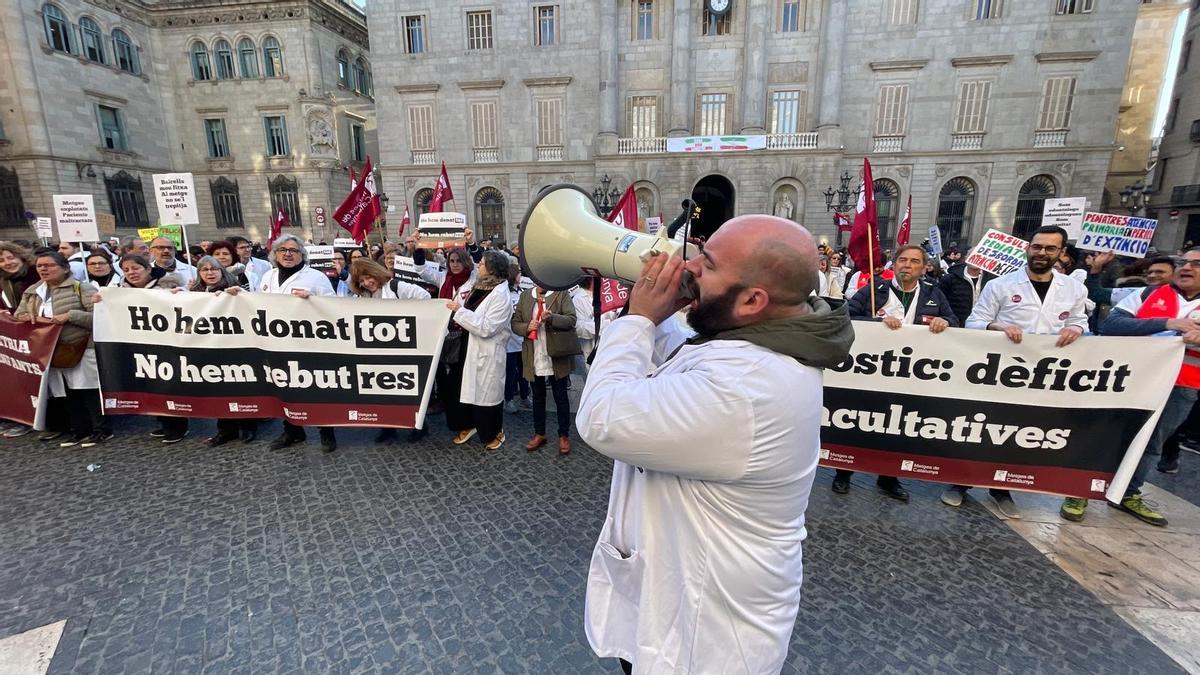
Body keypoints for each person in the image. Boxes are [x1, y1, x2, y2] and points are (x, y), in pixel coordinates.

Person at [576, 215, 854, 674]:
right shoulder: (754, 342)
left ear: (751, 299)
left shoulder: (747, 388)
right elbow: (677, 364)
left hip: (707, 640)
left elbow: (602, 417)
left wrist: (640, 318)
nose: (692, 267)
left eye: (707, 263)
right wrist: (664, 316)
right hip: (675, 604)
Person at [1056, 248, 1200, 526]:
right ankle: (1080, 490)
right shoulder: (1148, 294)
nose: (1186, 267)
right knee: (1103, 434)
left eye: (1196, 264)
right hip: (1130, 379)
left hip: (1182, 385)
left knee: (1153, 443)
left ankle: (1128, 493)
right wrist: (1168, 323)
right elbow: (1113, 323)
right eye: (1183, 262)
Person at [961, 225, 1088, 518]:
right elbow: (975, 322)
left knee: (1019, 433)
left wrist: (1076, 327)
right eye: (1037, 247)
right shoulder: (1000, 285)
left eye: (1050, 248)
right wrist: (998, 326)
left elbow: (1082, 321)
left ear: (1061, 253)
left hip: (1045, 376)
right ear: (1027, 249)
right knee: (982, 428)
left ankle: (1001, 489)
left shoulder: (1074, 289)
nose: (1042, 253)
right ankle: (961, 483)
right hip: (1001, 373)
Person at [834, 245, 958, 500]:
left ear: (924, 268)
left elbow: (954, 322)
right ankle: (844, 473)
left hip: (912, 376)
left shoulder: (933, 293)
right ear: (894, 264)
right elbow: (846, 316)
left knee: (898, 427)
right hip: (872, 371)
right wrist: (877, 323)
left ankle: (889, 478)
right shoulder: (874, 289)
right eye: (902, 260)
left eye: (914, 261)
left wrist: (943, 322)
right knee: (859, 422)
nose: (907, 265)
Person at [14, 252, 111, 448]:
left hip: (80, 346)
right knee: (66, 392)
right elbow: (18, 314)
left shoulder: (81, 288)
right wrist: (24, 317)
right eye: (40, 266)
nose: (43, 269)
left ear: (65, 268)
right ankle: (79, 430)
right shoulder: (33, 292)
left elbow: (99, 317)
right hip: (51, 351)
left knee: (88, 390)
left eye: (49, 265)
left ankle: (101, 429)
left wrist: (71, 315)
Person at [253, 235, 338, 452]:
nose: (288, 254)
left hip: (308, 343)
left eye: (293, 250)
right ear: (275, 254)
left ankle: (326, 432)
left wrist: (313, 299)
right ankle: (293, 431)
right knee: (284, 388)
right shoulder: (267, 276)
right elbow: (255, 303)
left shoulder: (316, 277)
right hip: (276, 343)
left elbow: (334, 306)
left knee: (317, 388)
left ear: (302, 254)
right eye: (283, 250)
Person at [183, 256, 260, 446]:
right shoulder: (195, 293)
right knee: (218, 390)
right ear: (199, 274)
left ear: (222, 271)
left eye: (214, 269)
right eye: (205, 270)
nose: (210, 273)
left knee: (240, 389)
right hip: (209, 349)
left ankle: (248, 425)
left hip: (236, 348)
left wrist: (238, 295)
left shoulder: (234, 289)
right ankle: (225, 429)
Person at [443, 250, 513, 450]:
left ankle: (495, 432)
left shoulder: (501, 295)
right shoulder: (480, 286)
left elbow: (487, 328)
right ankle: (472, 425)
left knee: (488, 395)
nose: (478, 266)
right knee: (470, 391)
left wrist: (460, 311)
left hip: (488, 350)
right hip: (470, 346)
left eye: (481, 263)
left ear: (492, 268)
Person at [512, 283, 580, 455]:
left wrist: (552, 318)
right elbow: (515, 323)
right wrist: (527, 327)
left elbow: (571, 319)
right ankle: (539, 433)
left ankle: (563, 435)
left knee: (561, 397)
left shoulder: (560, 293)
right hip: (534, 354)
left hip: (555, 355)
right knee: (538, 397)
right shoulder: (526, 296)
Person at [0, 242, 43, 438]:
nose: (7, 263)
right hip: (12, 336)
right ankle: (18, 417)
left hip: (36, 333)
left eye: (10, 257)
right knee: (15, 378)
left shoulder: (36, 274)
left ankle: (38, 418)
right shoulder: (3, 281)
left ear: (20, 256)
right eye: (1, 260)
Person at [503, 263, 532, 413]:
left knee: (524, 370)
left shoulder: (522, 292)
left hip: (522, 338)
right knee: (510, 372)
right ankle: (508, 399)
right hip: (509, 339)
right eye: (519, 273)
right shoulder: (504, 294)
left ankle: (524, 396)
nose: (520, 275)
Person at [939, 258, 995, 328]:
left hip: (984, 327)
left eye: (979, 256)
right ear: (966, 258)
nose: (975, 259)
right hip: (956, 327)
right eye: (972, 255)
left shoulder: (993, 280)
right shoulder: (949, 279)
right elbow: (940, 302)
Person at [348, 258, 430, 300]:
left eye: (368, 277)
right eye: (361, 281)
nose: (366, 283)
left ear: (376, 273)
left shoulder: (395, 286)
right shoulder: (360, 297)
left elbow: (424, 295)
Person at [117, 254, 185, 291]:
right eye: (126, 270)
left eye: (135, 268)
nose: (131, 272)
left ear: (148, 269)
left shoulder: (171, 287)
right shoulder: (119, 292)